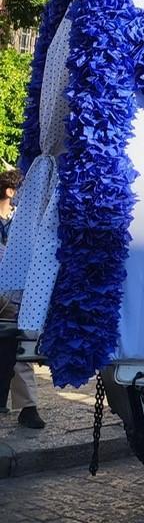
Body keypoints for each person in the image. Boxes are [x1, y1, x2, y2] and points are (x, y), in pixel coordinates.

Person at [0, 168, 43, 428]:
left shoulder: (19, 224)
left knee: (18, 348)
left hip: (13, 296)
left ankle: (28, 407)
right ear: (10, 191)